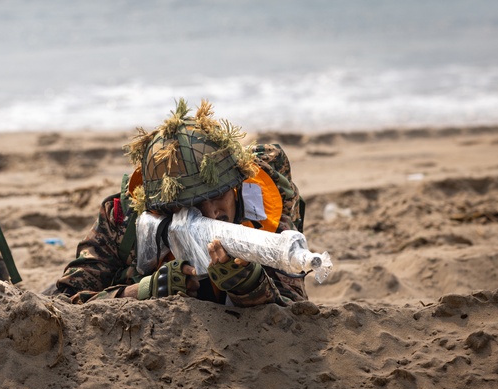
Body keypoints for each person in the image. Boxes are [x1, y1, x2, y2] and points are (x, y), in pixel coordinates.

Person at [55, 99, 308, 306]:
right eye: (193, 204)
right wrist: (144, 291)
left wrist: (249, 284)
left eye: (218, 195)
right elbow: (65, 303)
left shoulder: (262, 208)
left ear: (236, 186)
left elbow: (295, 312)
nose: (212, 213)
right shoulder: (122, 219)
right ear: (164, 206)